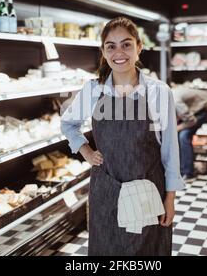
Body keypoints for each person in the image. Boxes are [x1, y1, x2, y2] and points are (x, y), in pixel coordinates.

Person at [61, 17, 185, 256]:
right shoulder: (93, 89)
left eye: (126, 44)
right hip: (106, 190)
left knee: (146, 253)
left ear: (139, 47)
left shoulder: (158, 92)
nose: (119, 52)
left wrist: (170, 198)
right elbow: (68, 124)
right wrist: (85, 151)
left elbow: (170, 149)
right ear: (103, 51)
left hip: (148, 190)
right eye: (111, 46)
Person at [172, 85, 207, 179]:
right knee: (177, 134)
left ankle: (188, 172)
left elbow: (191, 121)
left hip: (205, 106)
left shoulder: (176, 102)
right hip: (190, 107)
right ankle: (180, 168)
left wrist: (177, 128)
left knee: (183, 135)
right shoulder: (164, 100)